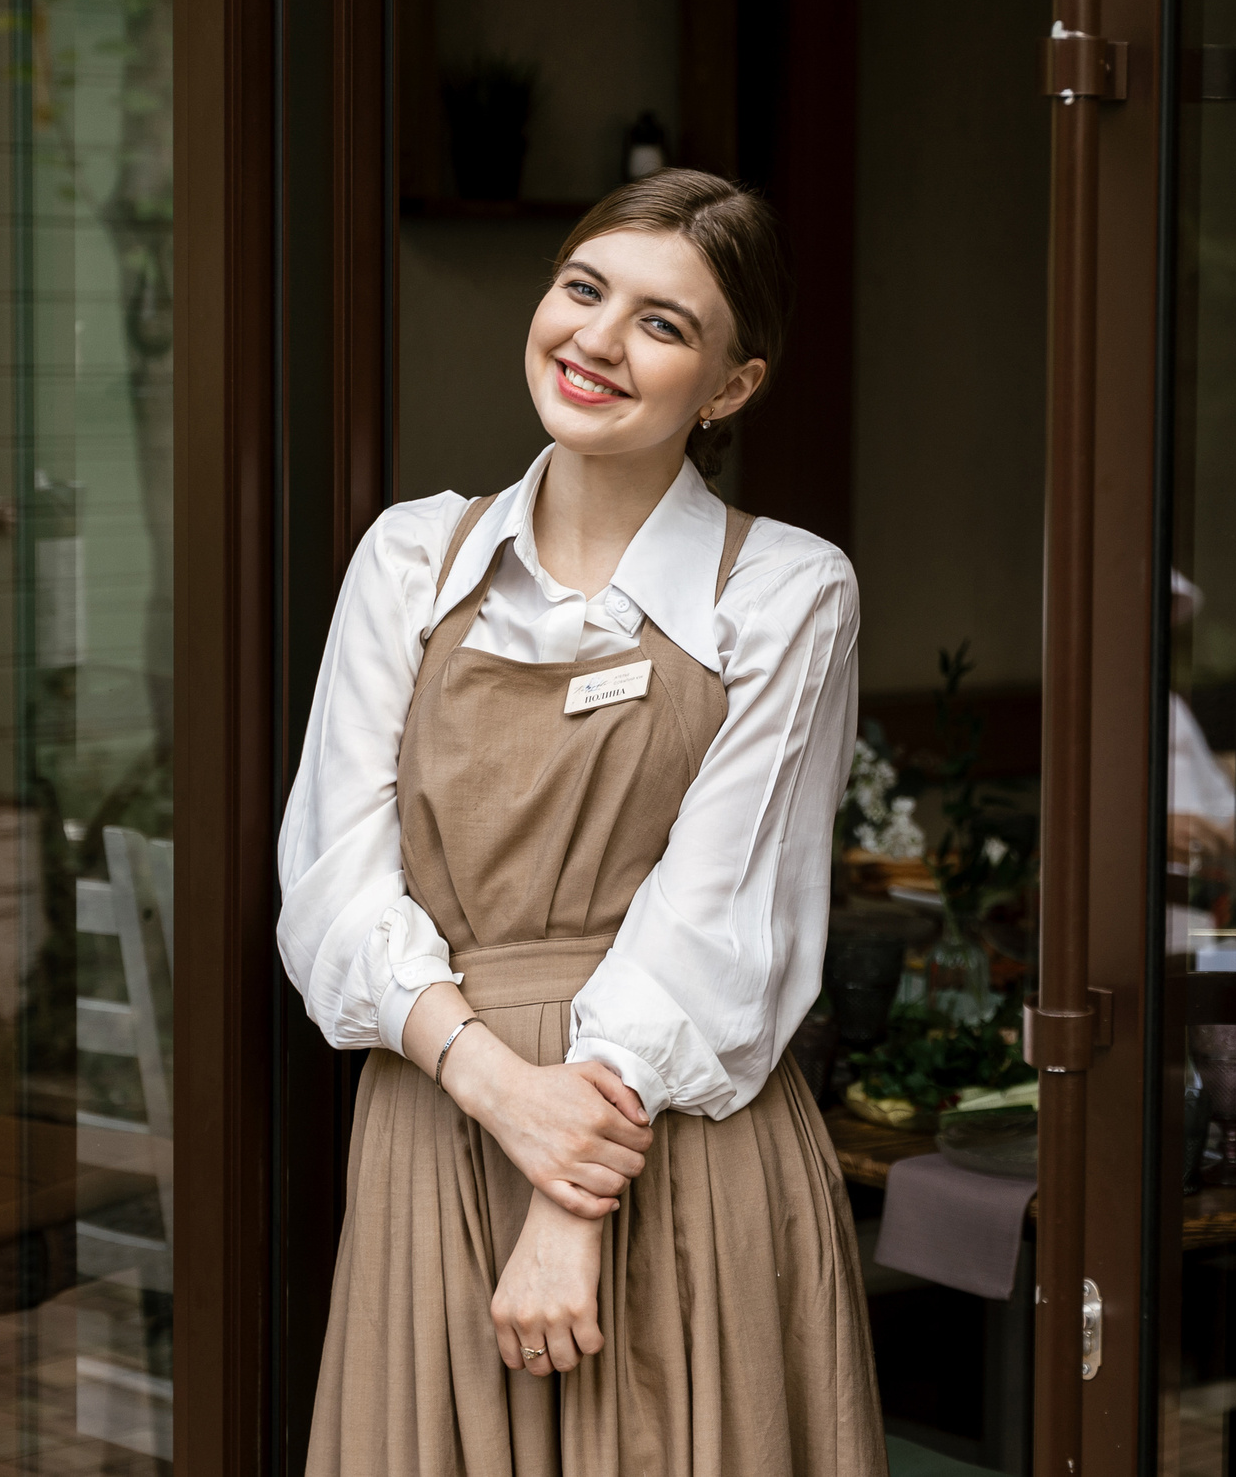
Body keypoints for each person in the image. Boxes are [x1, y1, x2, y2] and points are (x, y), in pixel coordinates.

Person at [276, 171, 882, 1474]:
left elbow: (716, 920)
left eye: (664, 324)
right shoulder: (408, 562)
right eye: (583, 289)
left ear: (730, 388)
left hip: (675, 1153)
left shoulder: (783, 593)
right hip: (442, 1126)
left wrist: (569, 1201)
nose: (597, 340)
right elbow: (332, 892)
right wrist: (503, 1094)